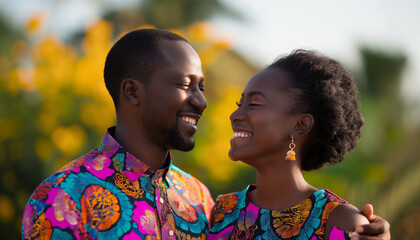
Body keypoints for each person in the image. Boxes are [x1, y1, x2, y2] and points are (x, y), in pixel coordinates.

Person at [21, 29, 390, 240]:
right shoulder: (61, 198)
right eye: (186, 85)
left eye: (203, 86)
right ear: (132, 92)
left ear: (301, 125)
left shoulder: (200, 202)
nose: (203, 102)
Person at [208, 50, 390, 240]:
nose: (235, 115)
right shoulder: (223, 211)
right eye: (240, 103)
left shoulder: (339, 222)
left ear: (299, 125)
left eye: (254, 103)